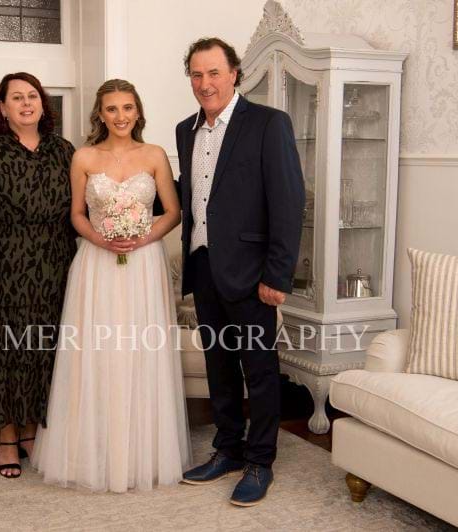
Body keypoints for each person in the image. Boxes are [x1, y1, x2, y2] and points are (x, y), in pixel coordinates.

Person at [32, 79, 192, 492]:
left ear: (138, 111)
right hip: (96, 264)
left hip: (143, 264)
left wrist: (142, 237)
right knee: (97, 351)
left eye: (127, 107)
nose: (121, 116)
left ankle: (142, 454)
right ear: (100, 115)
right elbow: (76, 214)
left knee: (140, 348)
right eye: (112, 109)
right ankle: (91, 453)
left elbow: (173, 212)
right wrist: (102, 239)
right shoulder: (84, 157)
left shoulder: (154, 155)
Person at [176, 38, 305, 506]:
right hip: (204, 265)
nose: (205, 83)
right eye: (196, 74)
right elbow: (194, 196)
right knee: (219, 366)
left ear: (234, 74)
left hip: (253, 274)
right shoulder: (185, 129)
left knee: (260, 370)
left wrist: (277, 276)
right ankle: (228, 449)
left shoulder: (269, 123)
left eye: (214, 72)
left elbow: (288, 202)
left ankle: (260, 461)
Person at [0, 72, 78, 479]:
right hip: (5, 266)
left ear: (43, 104)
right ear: (2, 108)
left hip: (57, 265)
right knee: (7, 351)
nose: (27, 103)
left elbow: (82, 209)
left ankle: (31, 431)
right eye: (17, 97)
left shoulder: (64, 151)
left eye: (33, 96)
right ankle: (6, 436)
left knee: (44, 351)